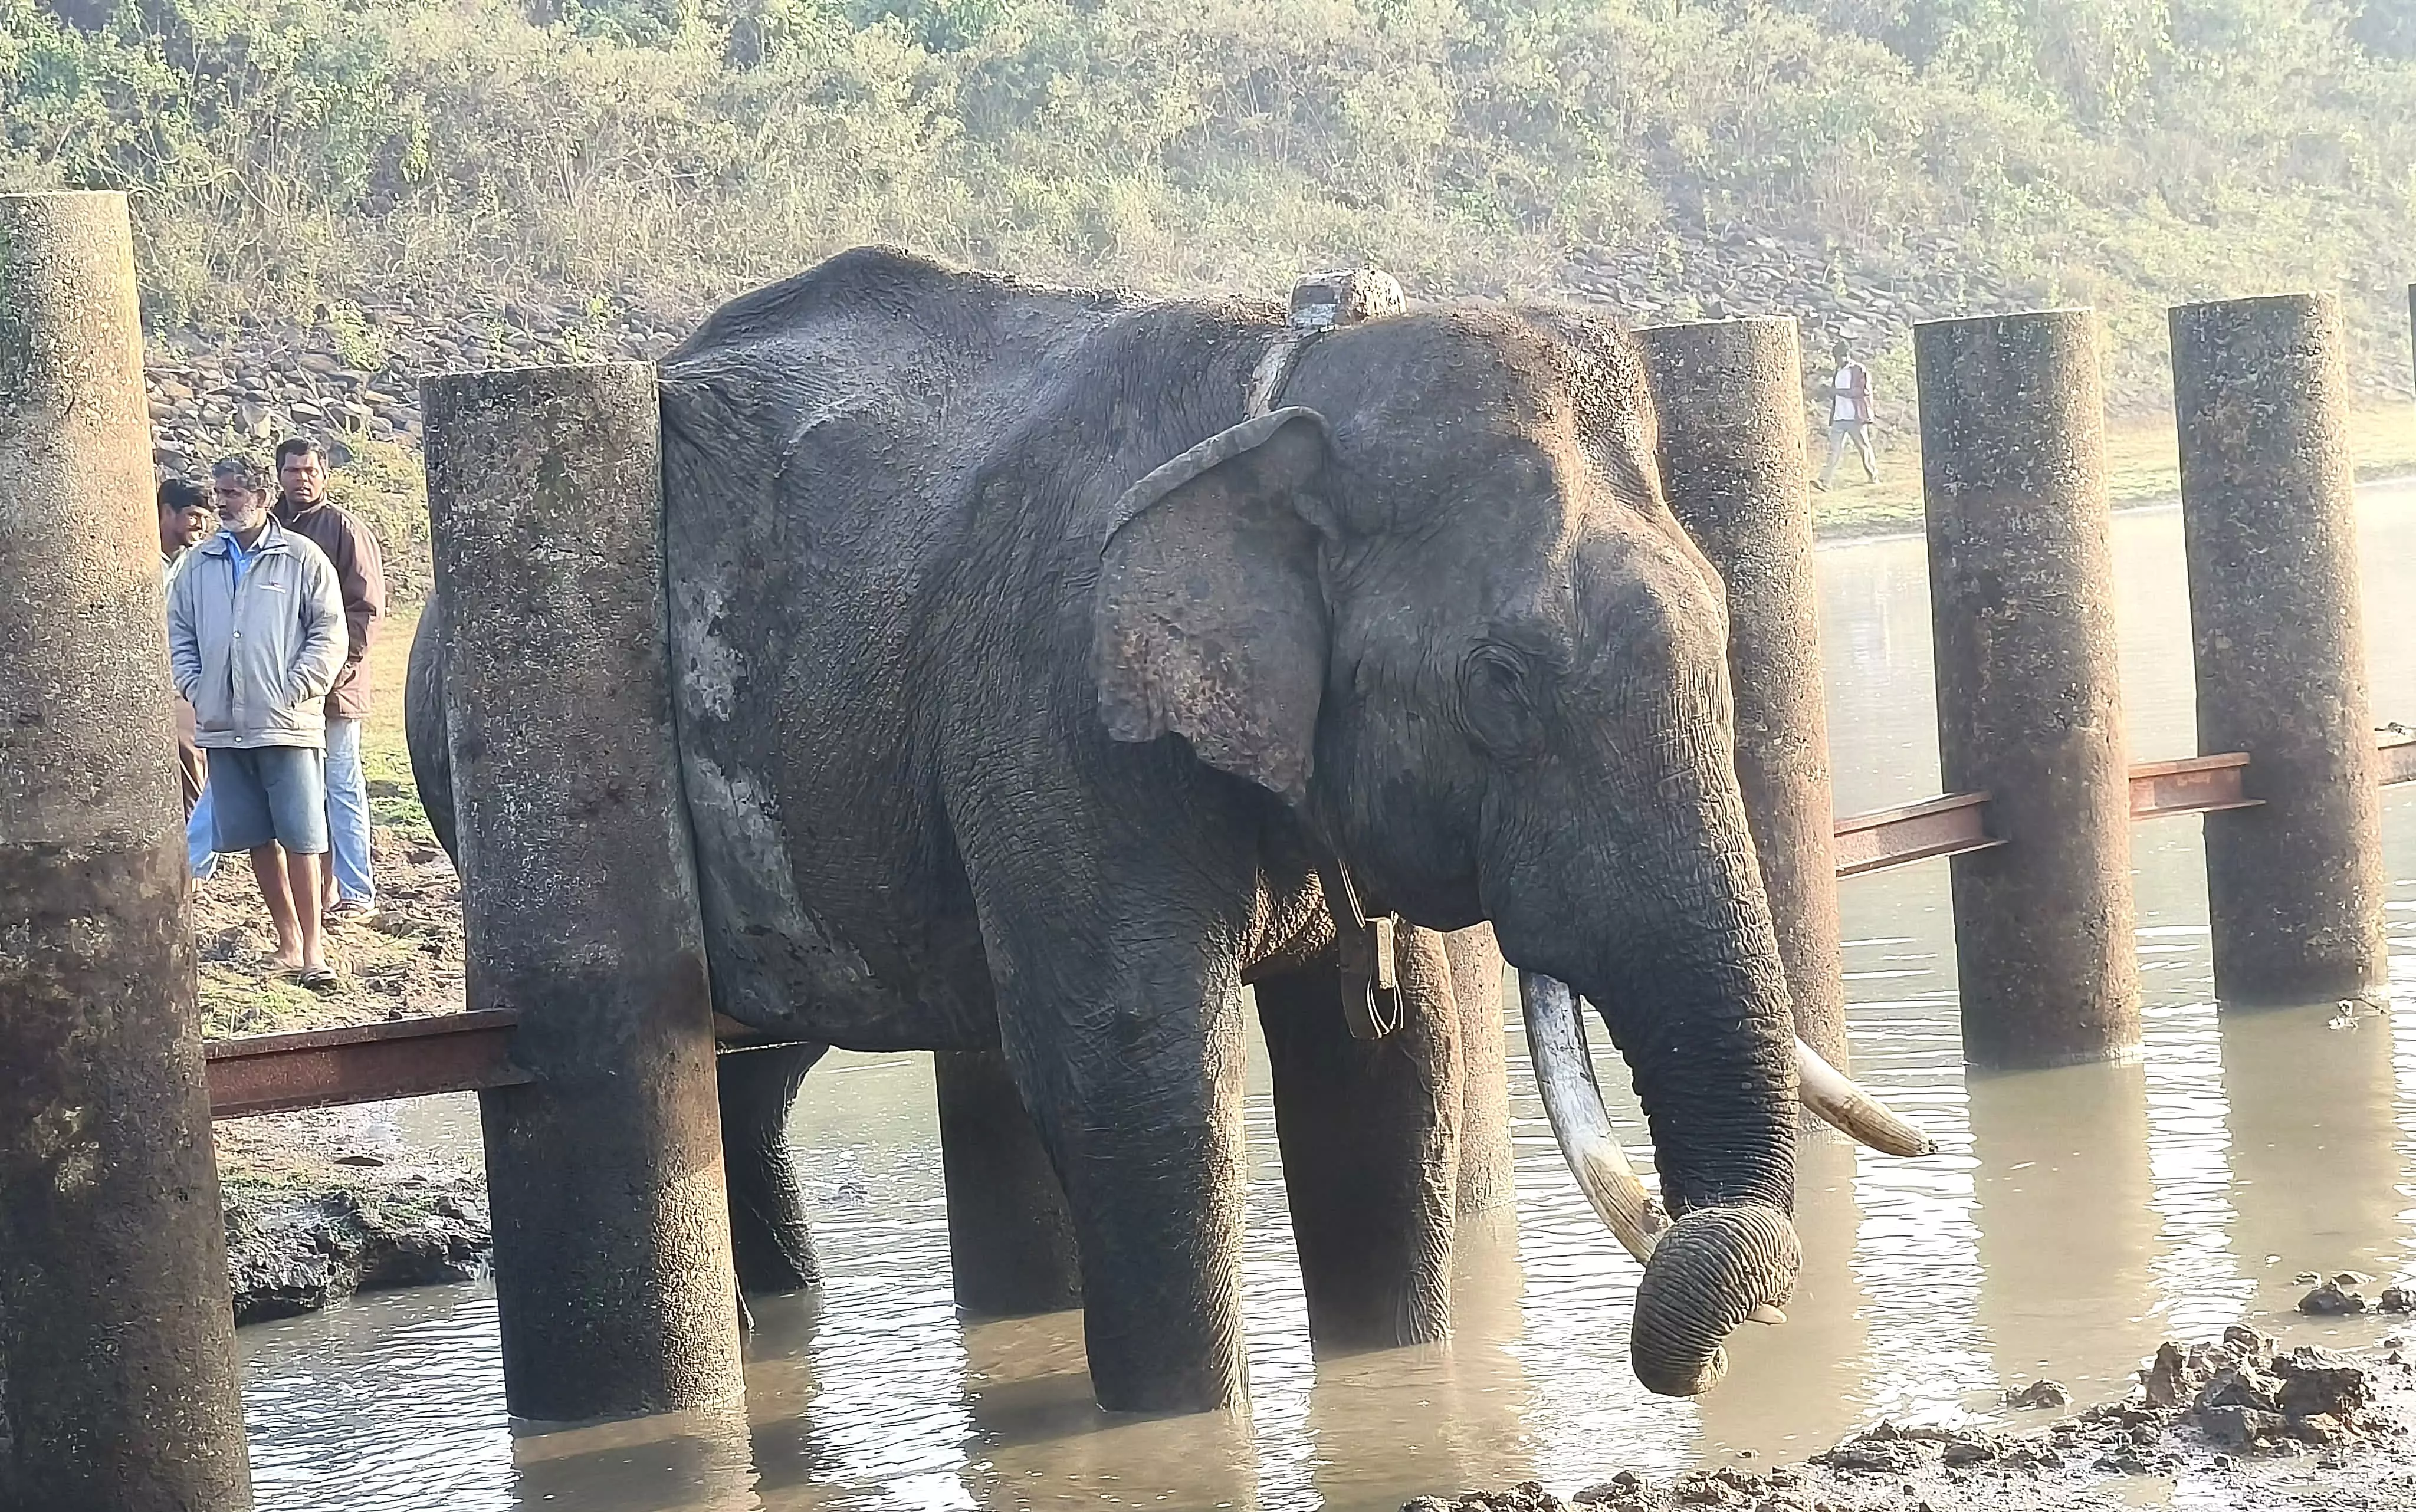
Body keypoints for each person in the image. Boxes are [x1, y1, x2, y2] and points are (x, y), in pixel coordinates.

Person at [168, 455, 347, 989]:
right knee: (254, 838)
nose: (220, 503)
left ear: (263, 498)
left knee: (302, 836)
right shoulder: (199, 564)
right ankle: (288, 943)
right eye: (218, 492)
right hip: (223, 727)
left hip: (287, 725)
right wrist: (196, 687)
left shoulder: (302, 558)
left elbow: (329, 633)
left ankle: (315, 952)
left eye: (232, 493)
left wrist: (297, 689)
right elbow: (179, 632)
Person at [272, 437, 386, 923]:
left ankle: (358, 890)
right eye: (293, 470)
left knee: (340, 784)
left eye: (310, 470)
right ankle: (320, 890)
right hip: (278, 683)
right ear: (278, 475)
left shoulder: (342, 528)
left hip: (336, 684)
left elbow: (366, 609)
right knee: (301, 788)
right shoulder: (269, 525)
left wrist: (337, 668)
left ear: (325, 475)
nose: (302, 478)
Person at [159, 478, 219, 880]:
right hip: (146, 670)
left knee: (193, 757)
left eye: (203, 517)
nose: (199, 526)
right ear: (166, 513)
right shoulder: (142, 557)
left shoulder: (198, 561)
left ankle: (194, 858)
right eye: (192, 516)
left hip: (184, 675)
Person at [1815, 340, 1879, 492]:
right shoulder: (1838, 371)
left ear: (1845, 355)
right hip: (1839, 417)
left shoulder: (1858, 370)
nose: (1837, 361)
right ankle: (1825, 482)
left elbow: (1861, 392)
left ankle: (1873, 477)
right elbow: (1838, 395)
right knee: (1834, 450)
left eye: (1838, 357)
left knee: (1863, 448)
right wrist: (1829, 392)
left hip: (1855, 417)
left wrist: (1836, 391)